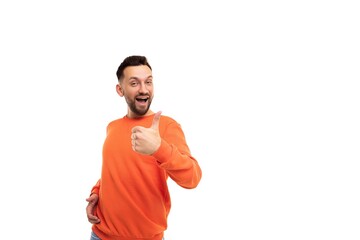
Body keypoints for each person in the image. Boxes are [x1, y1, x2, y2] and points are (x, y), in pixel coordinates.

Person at [86, 55, 202, 240]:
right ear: (120, 89)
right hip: (100, 235)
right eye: (134, 83)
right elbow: (114, 170)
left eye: (148, 82)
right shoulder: (112, 126)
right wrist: (96, 193)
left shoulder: (167, 126)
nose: (144, 89)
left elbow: (192, 178)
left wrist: (158, 148)